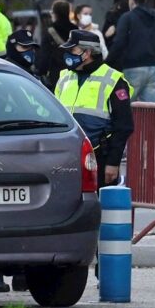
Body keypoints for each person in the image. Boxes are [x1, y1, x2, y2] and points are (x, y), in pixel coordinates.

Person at [0, 27, 43, 294]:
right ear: (11, 47)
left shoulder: (34, 78)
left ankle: (21, 273)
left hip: (26, 149)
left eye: (31, 48)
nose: (28, 53)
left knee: (25, 217)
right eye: (23, 48)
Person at [55, 29, 132, 189]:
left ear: (87, 53)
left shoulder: (113, 79)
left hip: (99, 157)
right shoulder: (64, 77)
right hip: (66, 156)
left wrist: (113, 162)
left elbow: (124, 126)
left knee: (97, 207)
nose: (68, 54)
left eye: (73, 50)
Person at [107, 0, 155, 103]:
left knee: (126, 106)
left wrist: (108, 62)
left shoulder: (127, 18)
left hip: (132, 67)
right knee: (151, 109)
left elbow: (119, 43)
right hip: (154, 68)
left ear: (131, 0)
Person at [38, 0, 75, 90]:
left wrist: (41, 72)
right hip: (74, 72)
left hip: (56, 74)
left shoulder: (50, 31)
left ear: (55, 13)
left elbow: (45, 56)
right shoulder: (76, 29)